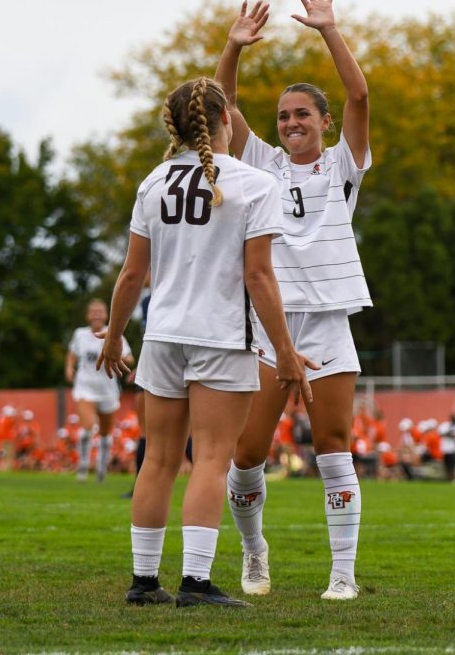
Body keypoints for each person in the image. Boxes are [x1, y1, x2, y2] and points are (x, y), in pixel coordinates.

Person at [97, 76, 314, 609]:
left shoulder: (152, 182)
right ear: (225, 121)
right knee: (213, 458)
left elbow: (131, 275)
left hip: (163, 337)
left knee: (159, 461)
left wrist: (117, 334)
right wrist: (285, 351)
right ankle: (195, 582)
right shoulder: (254, 184)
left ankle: (144, 582)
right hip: (220, 336)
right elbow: (260, 278)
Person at [217, 0, 372, 602]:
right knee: (247, 452)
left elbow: (360, 92)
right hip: (269, 325)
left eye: (302, 114)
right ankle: (255, 552)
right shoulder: (260, 165)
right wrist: (233, 49)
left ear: (324, 122)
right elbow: (222, 109)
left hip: (329, 323)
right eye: (284, 116)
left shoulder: (343, 164)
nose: (291, 123)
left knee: (334, 447)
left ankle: (343, 574)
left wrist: (329, 29)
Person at [66, 299, 133, 482]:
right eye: (93, 311)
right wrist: (69, 368)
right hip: (85, 386)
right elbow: (72, 354)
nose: (96, 314)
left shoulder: (115, 334)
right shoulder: (79, 334)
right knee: (88, 428)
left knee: (105, 433)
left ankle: (102, 468)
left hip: (108, 388)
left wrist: (119, 356)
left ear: (106, 314)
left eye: (100, 311)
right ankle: (83, 466)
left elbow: (129, 358)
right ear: (88, 315)